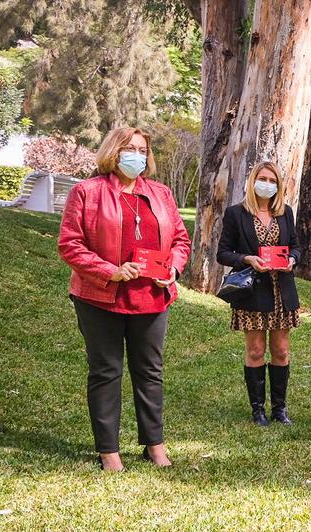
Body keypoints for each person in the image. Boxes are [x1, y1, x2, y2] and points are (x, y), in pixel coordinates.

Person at [57, 127, 191, 471]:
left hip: (152, 296)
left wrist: (173, 269)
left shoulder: (161, 193)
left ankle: (154, 444)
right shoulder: (86, 192)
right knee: (106, 371)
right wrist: (110, 271)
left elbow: (180, 240)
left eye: (143, 149)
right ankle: (109, 451)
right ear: (113, 151)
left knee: (150, 371)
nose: (138, 155)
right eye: (129, 148)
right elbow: (70, 245)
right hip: (100, 297)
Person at [217, 162, 302, 426]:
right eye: (263, 178)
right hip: (253, 292)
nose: (267, 184)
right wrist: (247, 259)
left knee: (281, 350)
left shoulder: (285, 212)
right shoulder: (236, 214)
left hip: (282, 291)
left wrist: (292, 259)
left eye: (273, 180)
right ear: (253, 181)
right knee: (255, 351)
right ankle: (258, 410)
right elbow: (223, 253)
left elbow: (296, 246)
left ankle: (279, 409)